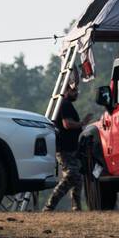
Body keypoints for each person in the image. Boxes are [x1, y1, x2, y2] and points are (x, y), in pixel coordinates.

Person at [43, 81, 84, 211]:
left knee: (77, 178)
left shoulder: (67, 104)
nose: (76, 93)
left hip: (71, 148)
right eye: (73, 91)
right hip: (64, 148)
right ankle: (50, 205)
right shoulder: (65, 104)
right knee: (72, 175)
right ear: (66, 91)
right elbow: (67, 124)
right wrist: (83, 123)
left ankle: (76, 207)